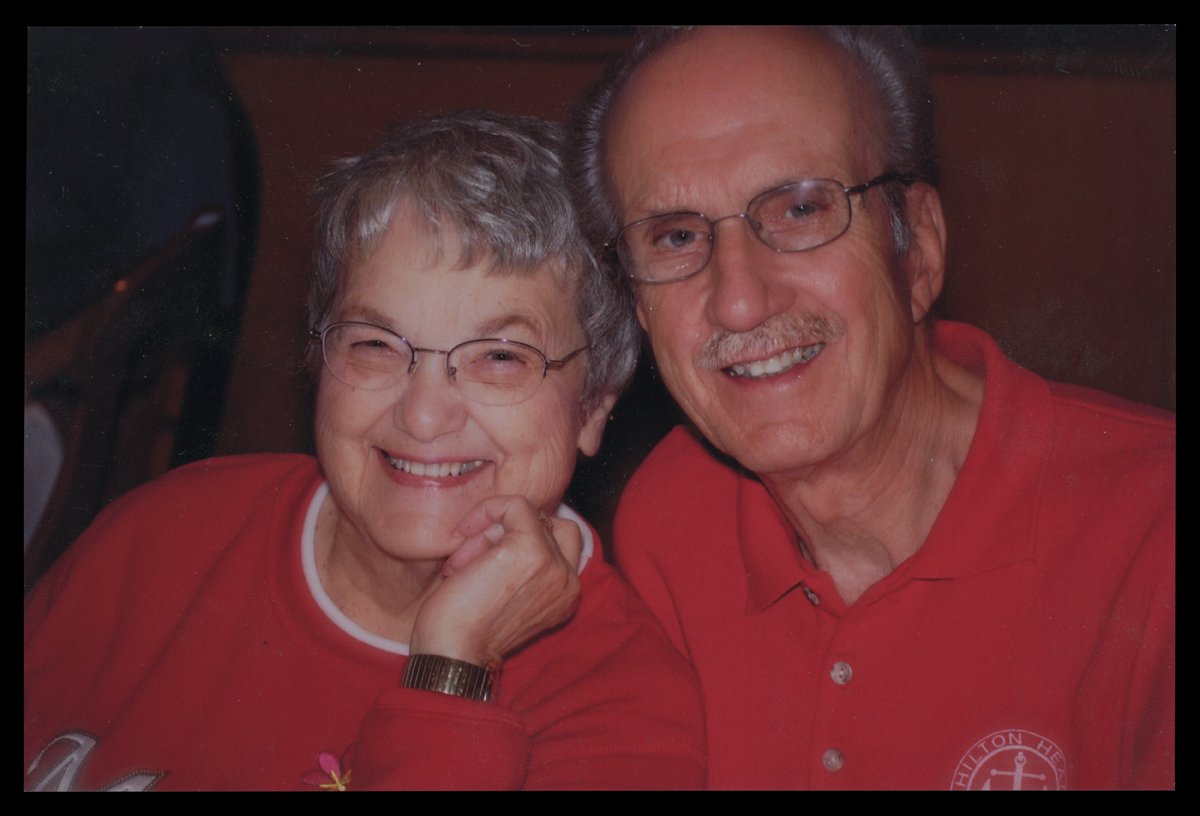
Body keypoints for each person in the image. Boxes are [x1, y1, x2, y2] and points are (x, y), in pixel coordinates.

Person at [567, 26, 1174, 789]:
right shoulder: (668, 521)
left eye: (798, 209)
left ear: (915, 247)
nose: (740, 299)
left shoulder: (1155, 532)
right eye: (677, 235)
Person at [24, 112, 704, 791]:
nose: (424, 413)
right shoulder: (165, 534)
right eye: (375, 344)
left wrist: (452, 670)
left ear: (594, 406)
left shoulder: (625, 709)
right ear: (318, 360)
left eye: (501, 356)